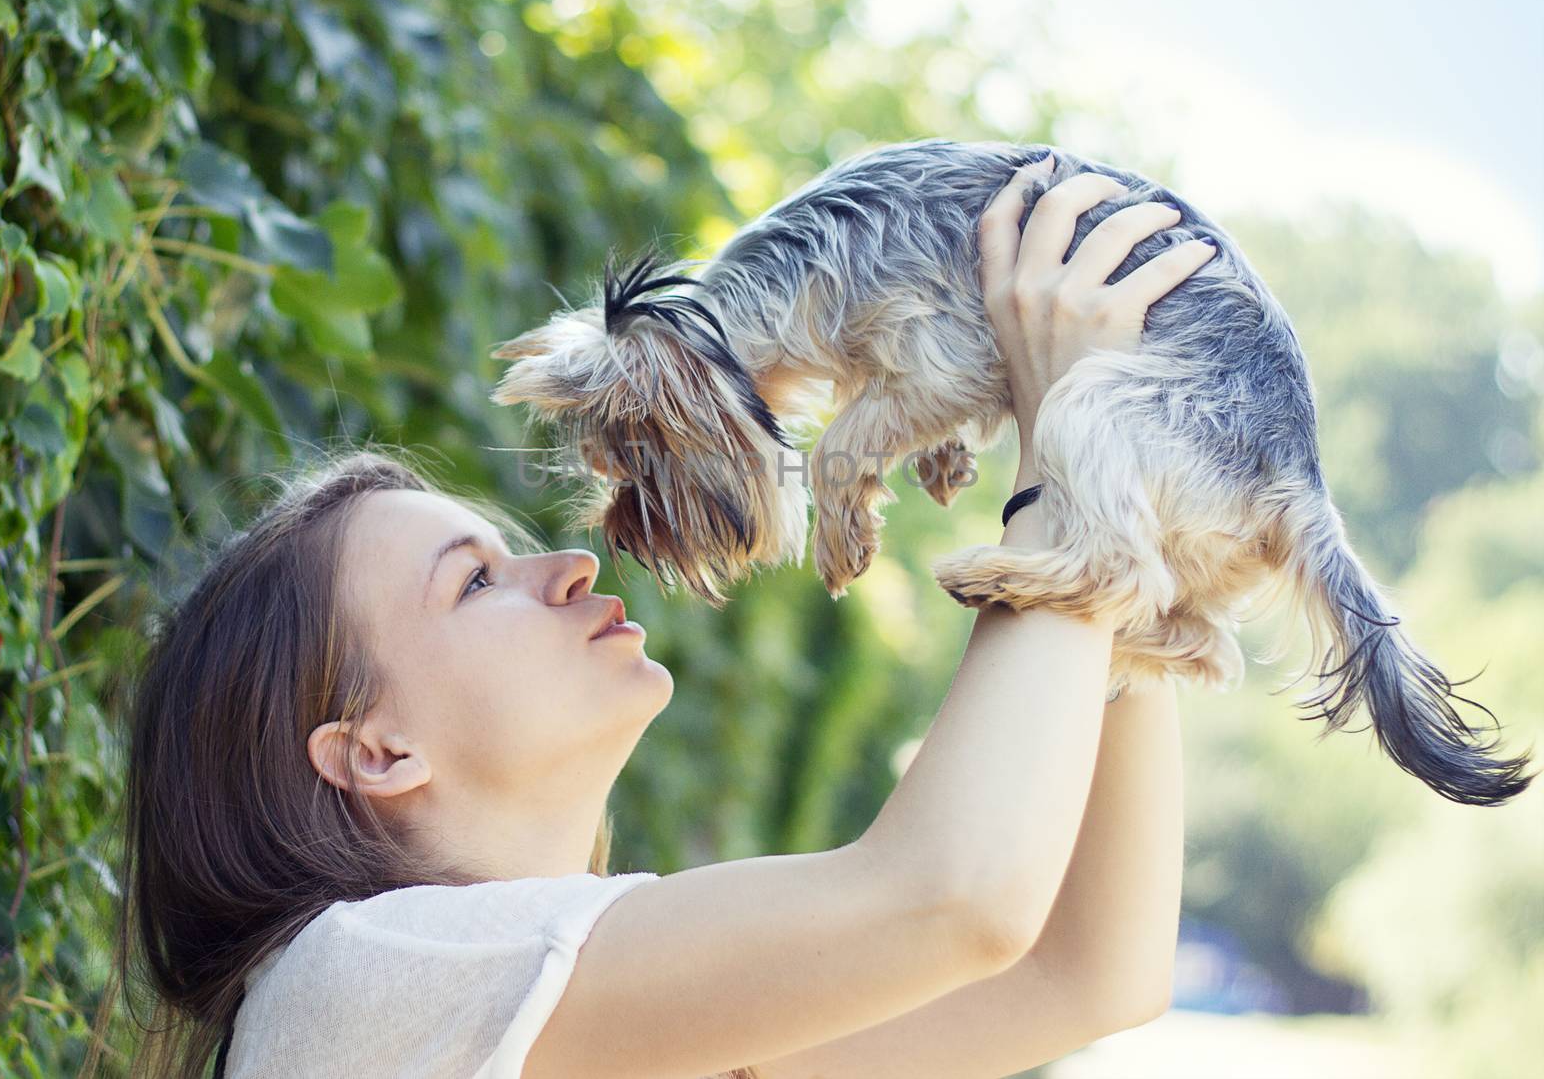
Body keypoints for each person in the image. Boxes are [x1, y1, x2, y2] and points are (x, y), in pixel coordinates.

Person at [112, 159, 1211, 1079]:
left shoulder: (589, 1016)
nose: (572, 563)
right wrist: (1073, 453)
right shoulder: (358, 982)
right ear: (374, 749)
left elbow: (1084, 972)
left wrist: (1119, 525)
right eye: (475, 581)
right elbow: (957, 899)